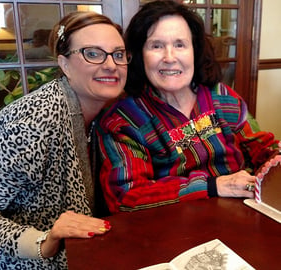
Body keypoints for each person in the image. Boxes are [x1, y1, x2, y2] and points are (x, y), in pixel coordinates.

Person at [96, 0, 280, 214]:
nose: (170, 58)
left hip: (240, 216)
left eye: (180, 45)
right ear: (138, 55)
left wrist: (275, 158)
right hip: (171, 230)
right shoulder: (124, 121)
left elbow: (260, 146)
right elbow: (126, 196)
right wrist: (214, 186)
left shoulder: (221, 96)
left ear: (195, 51)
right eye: (156, 46)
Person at [0, 11, 128, 269]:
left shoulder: (107, 112)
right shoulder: (31, 125)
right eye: (93, 53)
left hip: (79, 256)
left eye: (118, 54)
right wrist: (44, 241)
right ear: (65, 64)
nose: (111, 65)